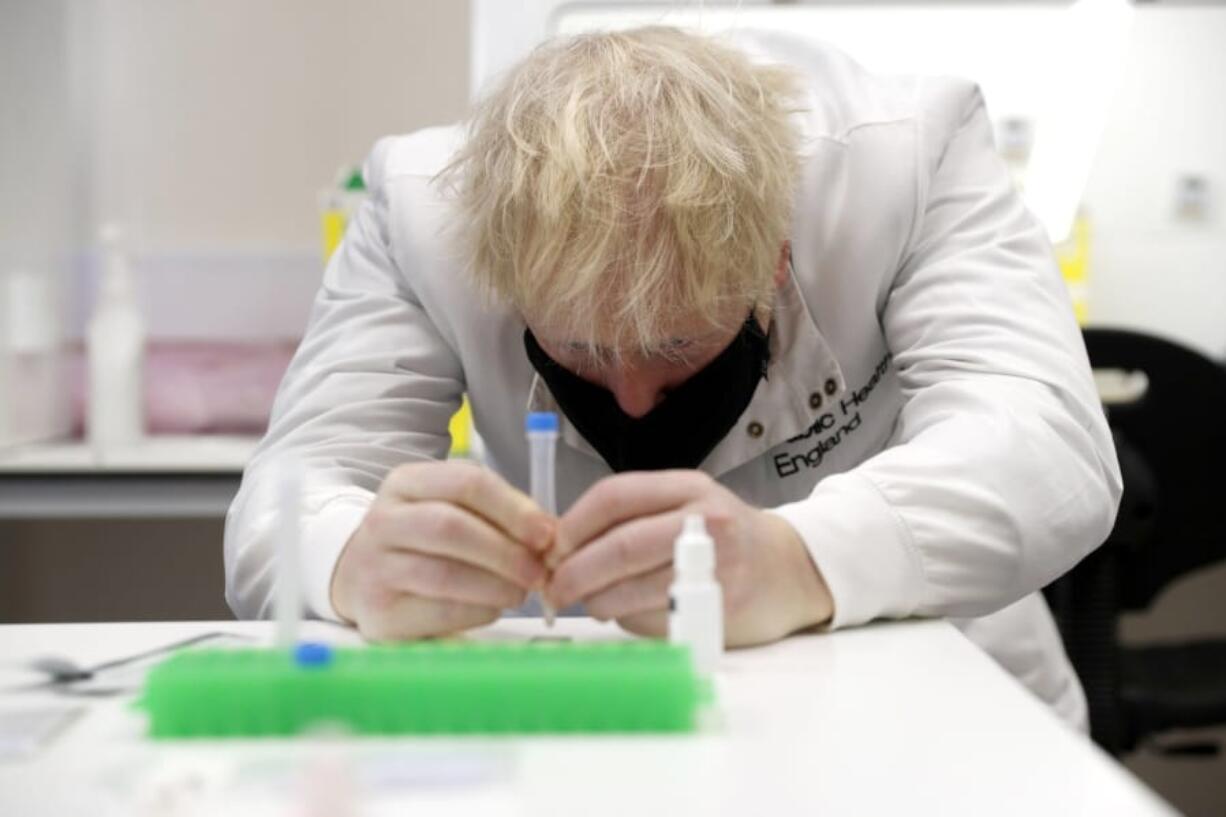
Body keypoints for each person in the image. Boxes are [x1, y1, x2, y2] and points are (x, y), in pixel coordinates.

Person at [225, 26, 1120, 729]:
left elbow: (1050, 447)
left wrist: (801, 561)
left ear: (774, 256)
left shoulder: (904, 158)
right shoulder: (425, 210)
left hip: (937, 704)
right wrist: (350, 557)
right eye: (579, 350)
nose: (632, 402)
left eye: (679, 344)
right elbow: (287, 494)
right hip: (600, 704)